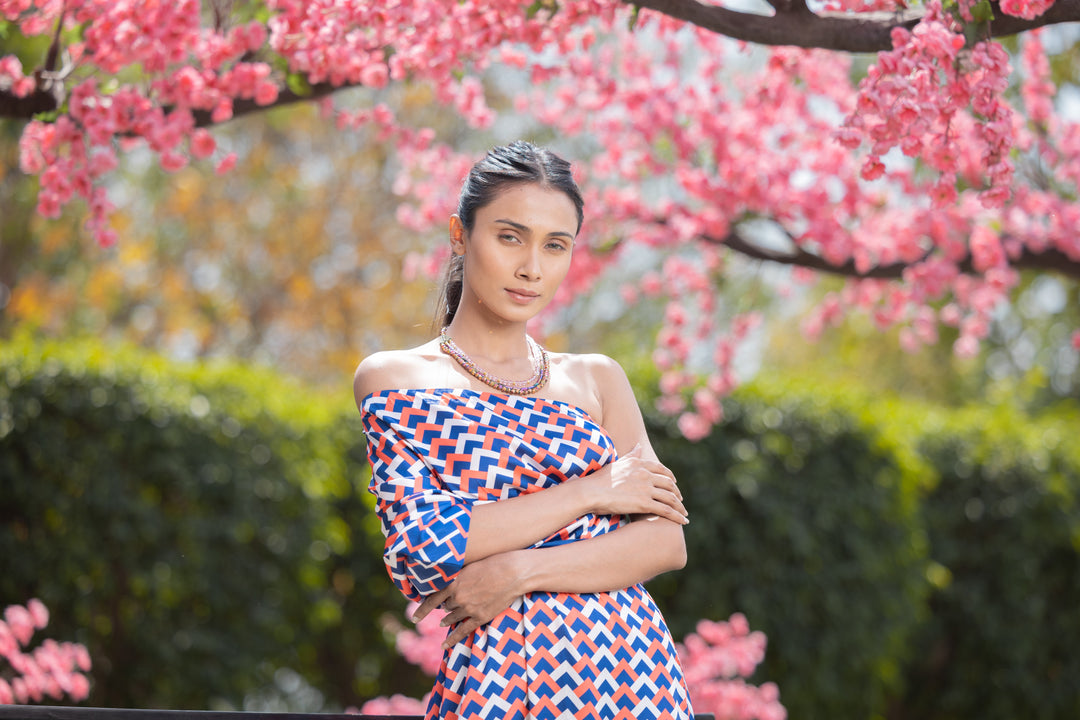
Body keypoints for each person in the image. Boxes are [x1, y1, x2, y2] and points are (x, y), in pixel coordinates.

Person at [353, 140, 694, 719]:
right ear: (460, 236)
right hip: (500, 675)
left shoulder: (597, 379)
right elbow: (426, 545)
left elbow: (664, 542)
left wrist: (518, 571)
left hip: (634, 674)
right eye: (510, 236)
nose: (532, 268)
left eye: (555, 245)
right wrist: (594, 491)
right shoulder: (396, 377)